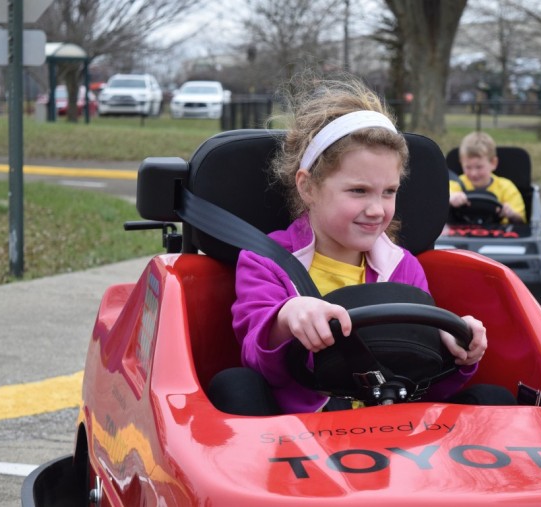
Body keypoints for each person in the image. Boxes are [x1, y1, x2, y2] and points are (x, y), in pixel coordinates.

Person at [209, 75, 515, 415]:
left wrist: (456, 350)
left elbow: (429, 386)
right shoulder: (267, 262)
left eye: (389, 192)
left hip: (390, 426)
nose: (376, 209)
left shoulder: (403, 267)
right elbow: (259, 362)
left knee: (493, 399)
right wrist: (286, 318)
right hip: (301, 432)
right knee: (235, 386)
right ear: (308, 187)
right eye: (358, 191)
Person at [448, 131, 526, 225]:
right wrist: (451, 198)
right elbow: (443, 197)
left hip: (499, 237)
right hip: (461, 237)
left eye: (479, 167)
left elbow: (521, 221)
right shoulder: (456, 184)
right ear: (461, 163)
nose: (473, 173)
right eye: (468, 167)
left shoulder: (506, 188)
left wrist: (511, 214)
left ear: (493, 163)